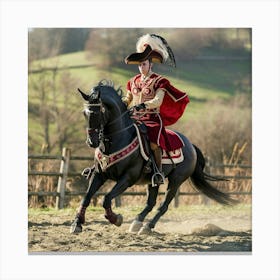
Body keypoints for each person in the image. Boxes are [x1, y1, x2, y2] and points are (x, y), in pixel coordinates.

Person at [123, 34, 190, 185]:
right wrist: (121, 104)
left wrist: (143, 105)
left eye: (144, 64)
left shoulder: (159, 81)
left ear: (150, 64)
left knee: (153, 142)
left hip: (152, 119)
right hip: (134, 118)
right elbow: (128, 98)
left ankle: (158, 172)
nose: (141, 67)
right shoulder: (132, 81)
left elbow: (158, 101)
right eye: (139, 65)